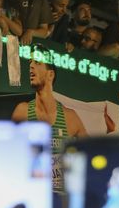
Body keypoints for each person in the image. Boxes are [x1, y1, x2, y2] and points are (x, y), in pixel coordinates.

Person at [12, 45, 87, 188]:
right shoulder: (22, 112)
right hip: (33, 198)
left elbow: (91, 155)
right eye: (30, 63)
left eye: (37, 63)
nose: (31, 67)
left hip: (61, 203)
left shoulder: (70, 117)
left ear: (50, 74)